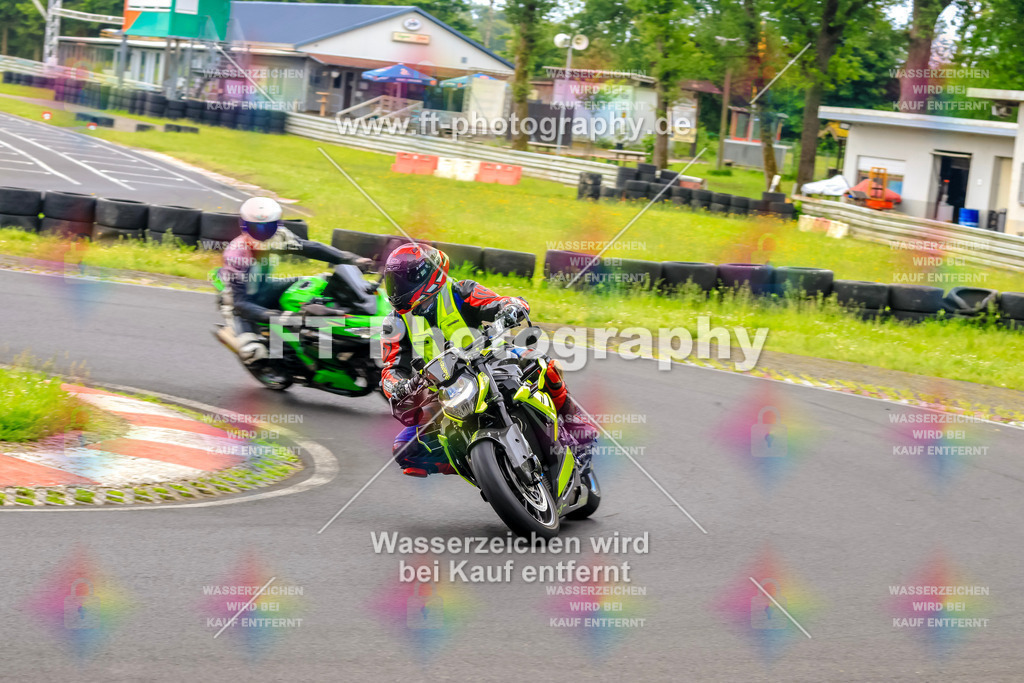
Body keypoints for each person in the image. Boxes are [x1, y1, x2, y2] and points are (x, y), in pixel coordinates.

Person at [379, 242, 597, 477]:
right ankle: (481, 467)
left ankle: (579, 430)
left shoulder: (460, 291)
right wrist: (397, 385)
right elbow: (391, 368)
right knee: (404, 450)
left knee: (546, 365)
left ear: (426, 275)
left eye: (402, 281)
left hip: (492, 360)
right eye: (393, 282)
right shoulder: (395, 323)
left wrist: (510, 307)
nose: (396, 289)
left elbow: (496, 301)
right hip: (442, 392)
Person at [220, 197, 373, 364]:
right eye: (256, 228)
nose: (263, 234)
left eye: (268, 227)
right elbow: (241, 303)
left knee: (321, 281)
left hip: (266, 287)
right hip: (240, 302)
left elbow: (311, 249)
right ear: (244, 226)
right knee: (253, 352)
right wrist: (278, 316)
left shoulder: (280, 236)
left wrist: (350, 259)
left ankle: (332, 335)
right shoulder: (236, 256)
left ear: (277, 224)